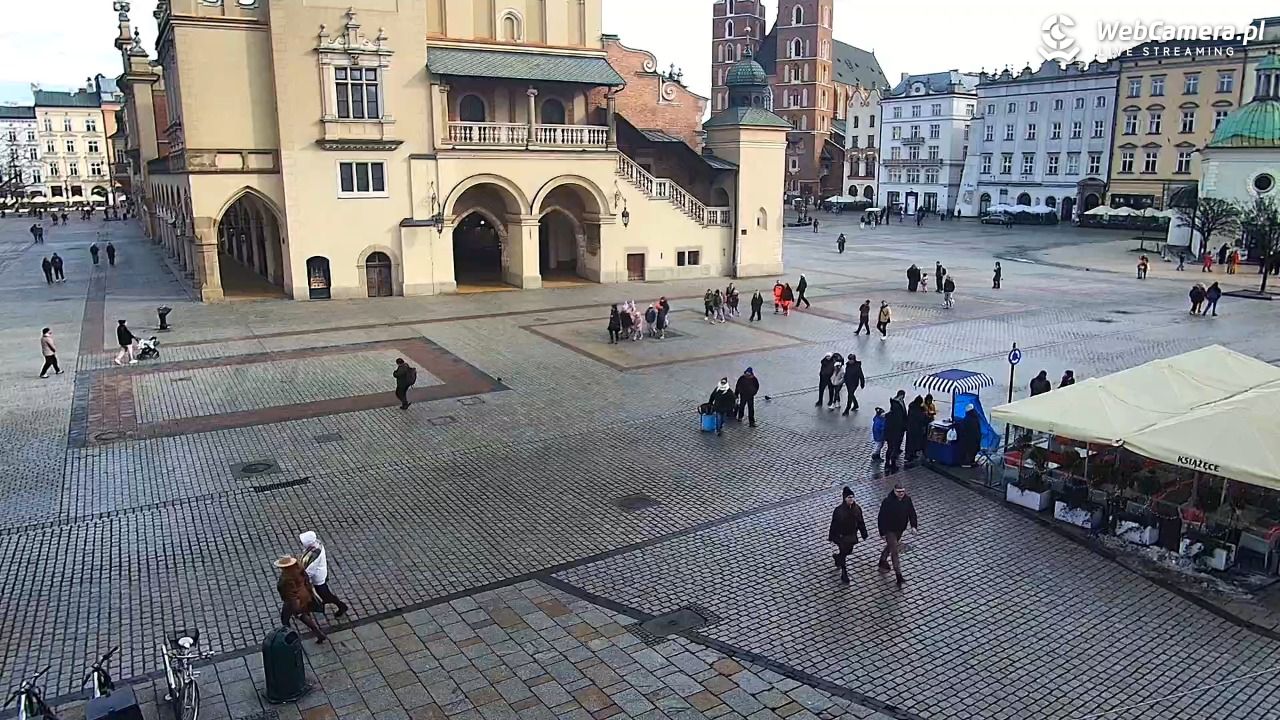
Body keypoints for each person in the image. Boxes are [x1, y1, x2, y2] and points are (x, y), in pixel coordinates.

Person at [274, 556, 327, 643]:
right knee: (304, 612)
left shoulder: (286, 579)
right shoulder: (299, 569)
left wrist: (295, 608)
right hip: (304, 594)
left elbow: (290, 595)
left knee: (287, 618)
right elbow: (306, 580)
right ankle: (318, 633)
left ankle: (290, 636)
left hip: (295, 600)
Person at [299, 531, 349, 618]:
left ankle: (341, 606)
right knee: (323, 593)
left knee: (325, 595)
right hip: (320, 574)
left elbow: (310, 570)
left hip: (318, 578)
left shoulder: (314, 554)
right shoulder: (316, 545)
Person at [877, 483, 918, 585]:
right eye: (899, 492)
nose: (901, 494)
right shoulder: (887, 502)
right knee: (894, 551)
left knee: (890, 546)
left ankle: (882, 560)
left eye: (903, 491)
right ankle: (898, 575)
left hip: (900, 529)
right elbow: (881, 517)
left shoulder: (907, 500)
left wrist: (913, 526)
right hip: (889, 530)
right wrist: (882, 532)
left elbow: (912, 513)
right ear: (894, 491)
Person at [828, 487, 868, 585]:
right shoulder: (838, 511)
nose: (851, 499)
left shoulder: (857, 509)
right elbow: (834, 524)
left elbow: (860, 522)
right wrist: (832, 537)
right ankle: (844, 573)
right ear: (844, 498)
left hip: (852, 536)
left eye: (852, 497)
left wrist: (864, 533)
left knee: (847, 551)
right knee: (843, 552)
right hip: (841, 537)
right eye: (849, 497)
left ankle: (838, 558)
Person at [884, 390, 908, 469]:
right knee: (893, 448)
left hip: (892, 432)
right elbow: (899, 420)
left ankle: (888, 463)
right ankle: (892, 464)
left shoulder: (896, 405)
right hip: (895, 432)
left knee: (891, 448)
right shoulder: (897, 407)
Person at [904, 396, 928, 465]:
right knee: (912, 442)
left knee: (910, 442)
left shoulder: (912, 407)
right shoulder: (916, 410)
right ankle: (909, 455)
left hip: (911, 428)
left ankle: (911, 454)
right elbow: (921, 418)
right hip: (915, 428)